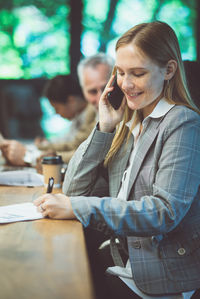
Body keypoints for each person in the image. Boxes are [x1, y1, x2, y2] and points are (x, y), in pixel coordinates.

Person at [34, 20, 200, 298]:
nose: (126, 84)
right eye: (121, 73)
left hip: (158, 275)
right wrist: (104, 127)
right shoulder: (129, 122)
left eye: (138, 73)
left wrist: (81, 207)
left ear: (169, 70)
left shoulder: (182, 123)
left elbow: (164, 212)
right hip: (122, 258)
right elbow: (75, 189)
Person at [0, 74, 96, 166]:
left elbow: (76, 149)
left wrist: (35, 157)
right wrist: (42, 146)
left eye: (57, 108)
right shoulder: (79, 117)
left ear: (71, 101)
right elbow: (68, 143)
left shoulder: (92, 114)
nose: (56, 113)